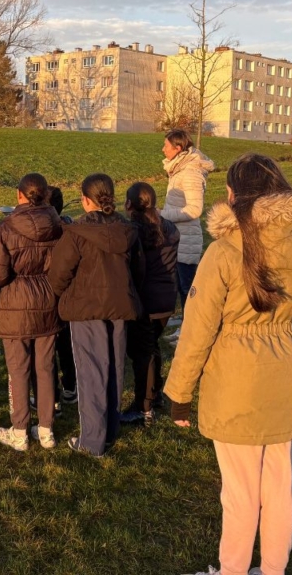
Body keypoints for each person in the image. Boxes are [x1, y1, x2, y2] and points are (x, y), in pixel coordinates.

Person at [164, 153, 292, 575]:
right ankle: (273, 568)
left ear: (234, 194)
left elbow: (197, 330)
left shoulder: (223, 251)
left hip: (236, 382)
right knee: (279, 486)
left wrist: (179, 392)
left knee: (239, 491)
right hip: (284, 374)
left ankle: (233, 569)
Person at [47, 173, 144, 457]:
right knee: (114, 368)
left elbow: (58, 275)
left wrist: (63, 295)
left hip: (87, 310)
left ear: (85, 200)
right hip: (119, 307)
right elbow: (138, 271)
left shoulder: (76, 233)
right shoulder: (127, 230)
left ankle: (92, 441)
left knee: (91, 372)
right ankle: (109, 431)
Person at [0, 173, 63, 451]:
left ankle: (19, 431)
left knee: (18, 370)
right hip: (47, 301)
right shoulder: (58, 225)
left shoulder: (5, 228)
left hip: (14, 304)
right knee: (45, 366)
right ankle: (46, 430)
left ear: (19, 195)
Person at [120, 182, 179, 426]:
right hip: (166, 299)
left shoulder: (132, 233)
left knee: (141, 354)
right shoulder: (170, 228)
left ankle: (143, 407)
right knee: (151, 346)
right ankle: (155, 395)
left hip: (145, 301)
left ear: (129, 204)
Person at [160, 129, 214, 322]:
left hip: (187, 241)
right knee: (180, 286)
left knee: (187, 288)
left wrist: (162, 215)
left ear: (178, 148)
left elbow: (194, 209)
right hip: (178, 238)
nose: (163, 149)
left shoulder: (190, 173)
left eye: (166, 145)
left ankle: (191, 326)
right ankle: (184, 323)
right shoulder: (179, 170)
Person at [46, 185, 76, 405]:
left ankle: (53, 394)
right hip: (67, 294)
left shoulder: (45, 230)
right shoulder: (71, 227)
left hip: (48, 292)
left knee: (49, 345)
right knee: (66, 343)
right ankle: (70, 386)